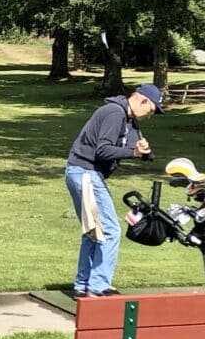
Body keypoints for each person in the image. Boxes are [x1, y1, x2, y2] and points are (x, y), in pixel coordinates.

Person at [65, 83, 164, 297]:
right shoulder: (114, 113)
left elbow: (134, 146)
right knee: (110, 230)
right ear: (142, 100)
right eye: (151, 110)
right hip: (86, 172)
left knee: (94, 232)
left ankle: (82, 285)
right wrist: (134, 154)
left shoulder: (128, 119)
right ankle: (98, 287)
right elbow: (103, 150)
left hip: (80, 172)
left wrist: (144, 153)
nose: (150, 116)